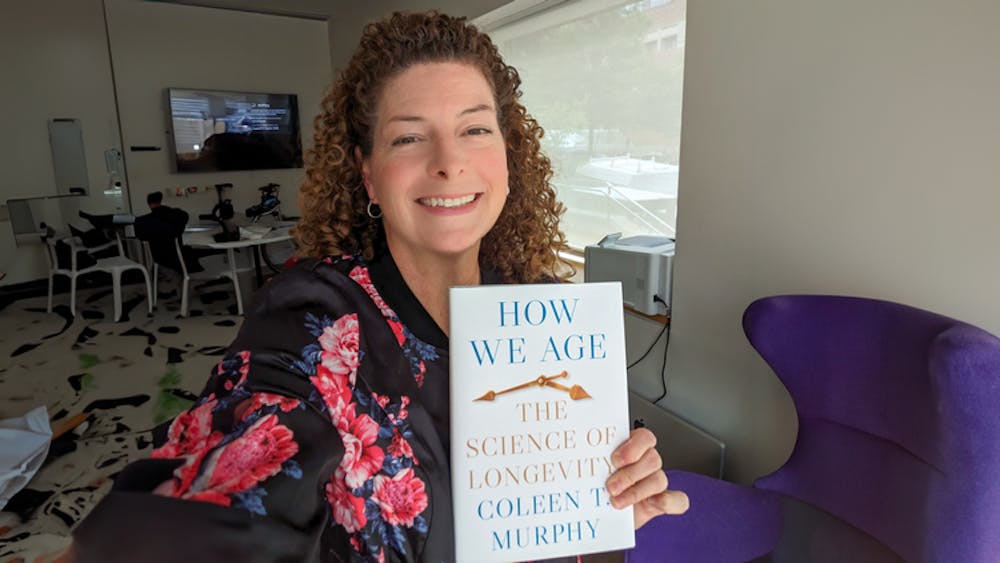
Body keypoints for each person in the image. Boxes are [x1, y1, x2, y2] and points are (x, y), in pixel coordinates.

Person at [70, 11, 688, 562]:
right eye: (409, 136)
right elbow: (243, 451)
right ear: (367, 175)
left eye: (475, 129)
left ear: (508, 153)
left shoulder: (544, 310)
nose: (449, 161)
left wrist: (606, 502)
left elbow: (575, 530)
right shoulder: (313, 318)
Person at [133, 191, 206, 275]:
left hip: (157, 259)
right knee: (209, 251)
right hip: (178, 258)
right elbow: (185, 217)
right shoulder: (176, 215)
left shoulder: (141, 221)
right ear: (161, 202)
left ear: (150, 204)